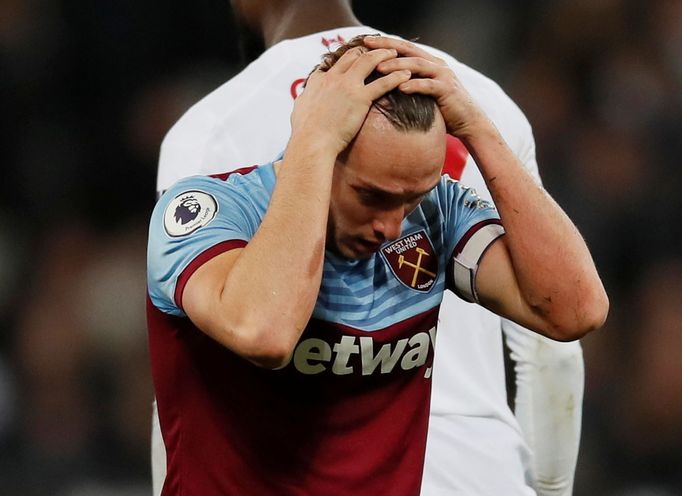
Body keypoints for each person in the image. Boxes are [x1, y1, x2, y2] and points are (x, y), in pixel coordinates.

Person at [154, 2, 587, 495]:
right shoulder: (473, 93)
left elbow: (180, 382)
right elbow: (553, 356)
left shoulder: (213, 124)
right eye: (371, 195)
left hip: (295, 463)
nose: (390, 225)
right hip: (479, 468)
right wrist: (550, 490)